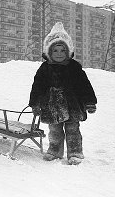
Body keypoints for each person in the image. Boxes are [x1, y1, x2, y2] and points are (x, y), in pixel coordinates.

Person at [29, 22, 97, 165]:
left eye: (62, 51)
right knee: (54, 131)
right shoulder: (44, 68)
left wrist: (89, 102)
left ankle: (75, 153)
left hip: (72, 105)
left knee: (73, 130)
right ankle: (55, 151)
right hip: (51, 106)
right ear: (49, 52)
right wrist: (35, 104)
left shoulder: (74, 67)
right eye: (55, 51)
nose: (59, 54)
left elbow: (84, 86)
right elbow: (37, 87)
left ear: (68, 51)